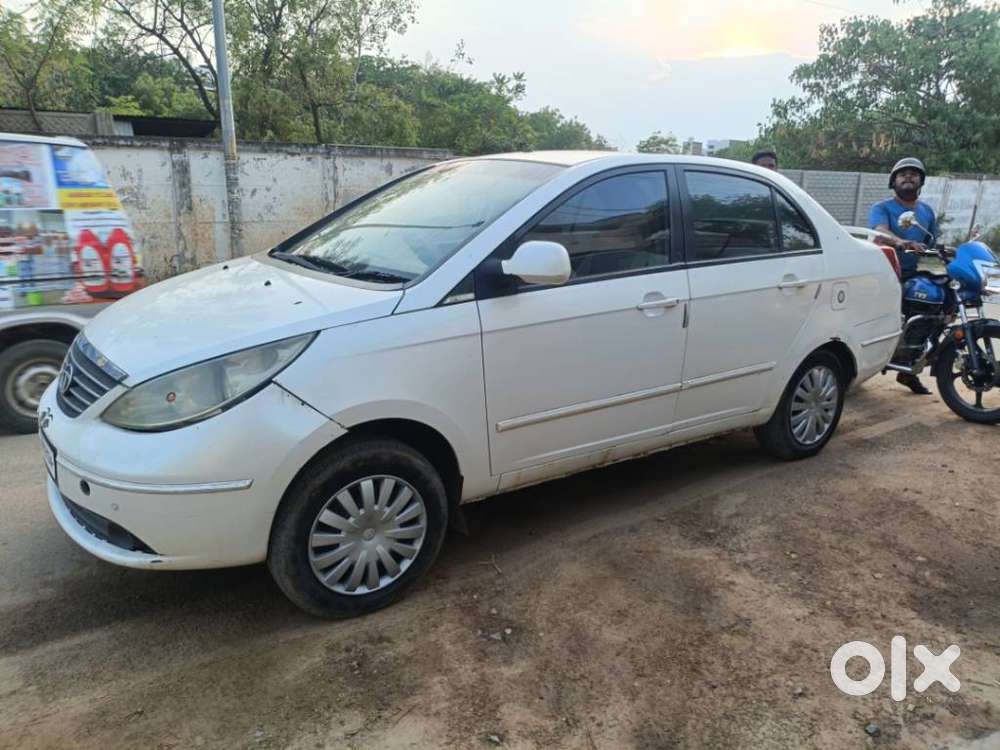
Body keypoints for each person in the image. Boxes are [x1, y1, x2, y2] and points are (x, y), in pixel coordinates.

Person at [869, 156, 940, 395]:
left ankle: (909, 368)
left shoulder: (927, 210)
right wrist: (901, 242)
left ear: (921, 180)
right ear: (894, 181)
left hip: (917, 271)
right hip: (888, 272)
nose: (908, 176)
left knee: (940, 307)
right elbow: (879, 232)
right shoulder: (882, 208)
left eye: (913, 173)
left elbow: (933, 239)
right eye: (902, 174)